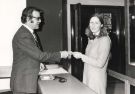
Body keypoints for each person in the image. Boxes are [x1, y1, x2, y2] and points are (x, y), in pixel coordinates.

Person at [10, 7, 69, 94]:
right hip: (23, 84)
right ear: (28, 19)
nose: (40, 21)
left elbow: (30, 55)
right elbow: (40, 55)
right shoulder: (23, 35)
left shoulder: (29, 33)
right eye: (37, 18)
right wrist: (61, 54)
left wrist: (38, 63)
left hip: (26, 82)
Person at [72, 13, 111, 94]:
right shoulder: (91, 39)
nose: (93, 25)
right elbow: (90, 58)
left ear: (101, 25)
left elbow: (100, 63)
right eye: (91, 22)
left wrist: (81, 56)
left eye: (96, 23)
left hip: (97, 79)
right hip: (87, 75)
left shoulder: (105, 39)